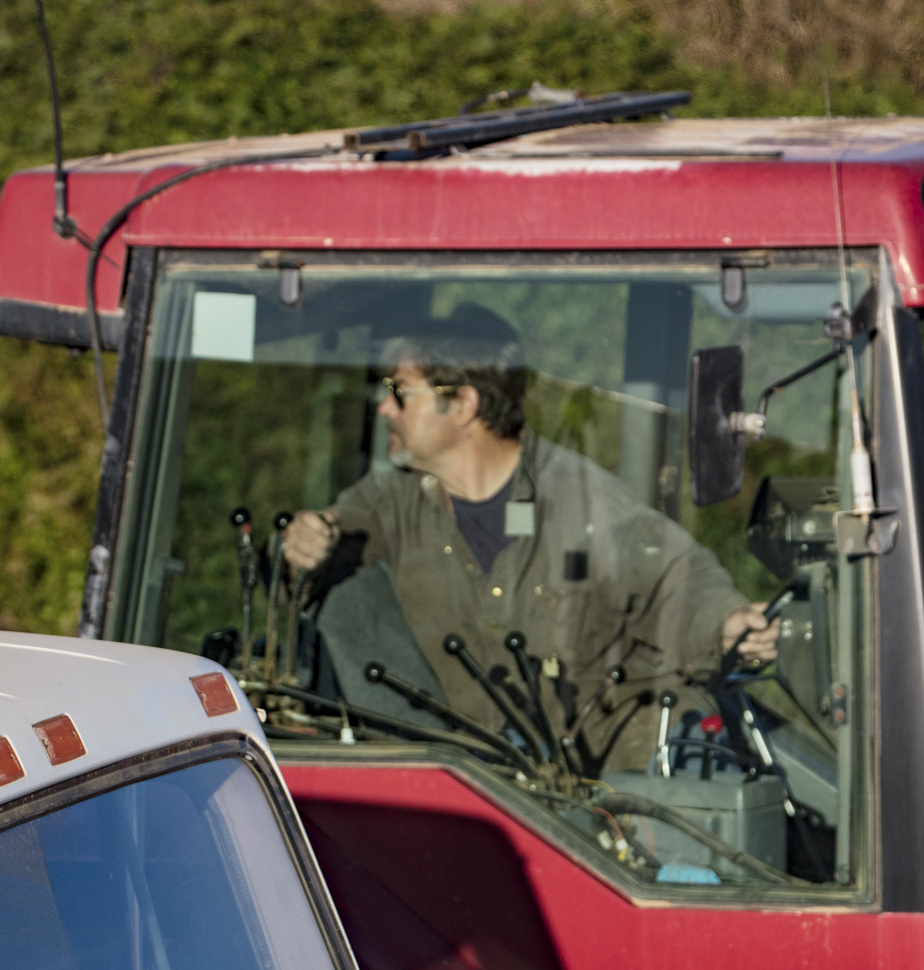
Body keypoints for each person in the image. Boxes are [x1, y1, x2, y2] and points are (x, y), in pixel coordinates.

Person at [283, 306, 778, 766]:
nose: (383, 409)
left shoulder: (584, 503)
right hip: (455, 787)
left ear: (462, 405)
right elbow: (312, 555)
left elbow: (678, 580)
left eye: (399, 391)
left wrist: (728, 625)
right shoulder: (388, 501)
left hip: (570, 806)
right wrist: (299, 551)